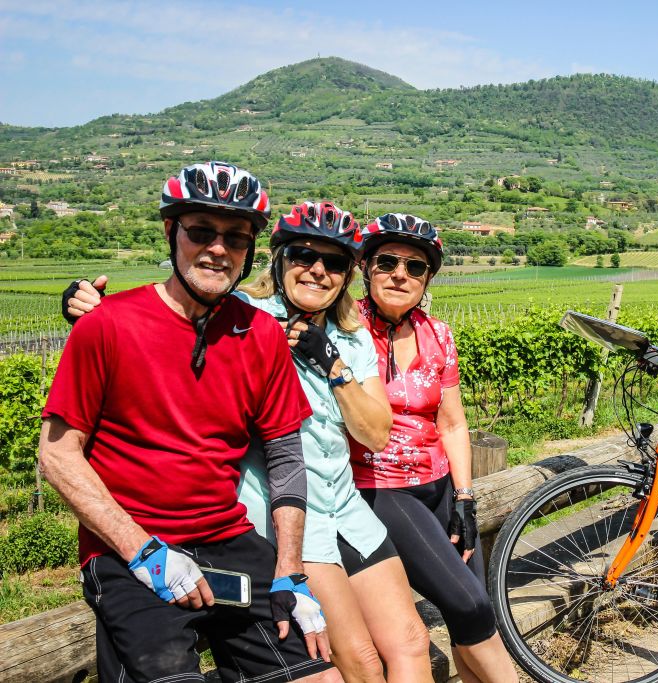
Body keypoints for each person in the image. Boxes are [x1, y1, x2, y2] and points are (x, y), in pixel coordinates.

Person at [62, 201, 435, 682]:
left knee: (411, 640)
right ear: (277, 259)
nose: (318, 271)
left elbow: (376, 434)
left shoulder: (351, 335)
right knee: (358, 661)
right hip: (277, 516)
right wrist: (93, 311)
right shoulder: (247, 319)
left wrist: (334, 367)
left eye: (335, 262)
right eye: (302, 255)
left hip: (339, 505)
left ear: (348, 275)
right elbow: (173, 325)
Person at [41, 161, 339, 683]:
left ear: (249, 251)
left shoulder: (261, 335)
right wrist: (143, 551)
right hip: (128, 546)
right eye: (201, 231)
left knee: (321, 676)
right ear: (170, 233)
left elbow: (286, 458)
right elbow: (58, 454)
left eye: (235, 238)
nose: (218, 248)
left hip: (228, 537)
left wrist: (291, 571)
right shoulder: (106, 326)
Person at [352, 213, 517, 683]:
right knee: (470, 605)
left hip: (441, 485)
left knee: (473, 617)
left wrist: (464, 497)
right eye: (387, 262)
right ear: (365, 268)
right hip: (382, 487)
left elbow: (452, 421)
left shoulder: (438, 333)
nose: (400, 274)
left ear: (428, 278)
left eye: (416, 267)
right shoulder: (346, 329)